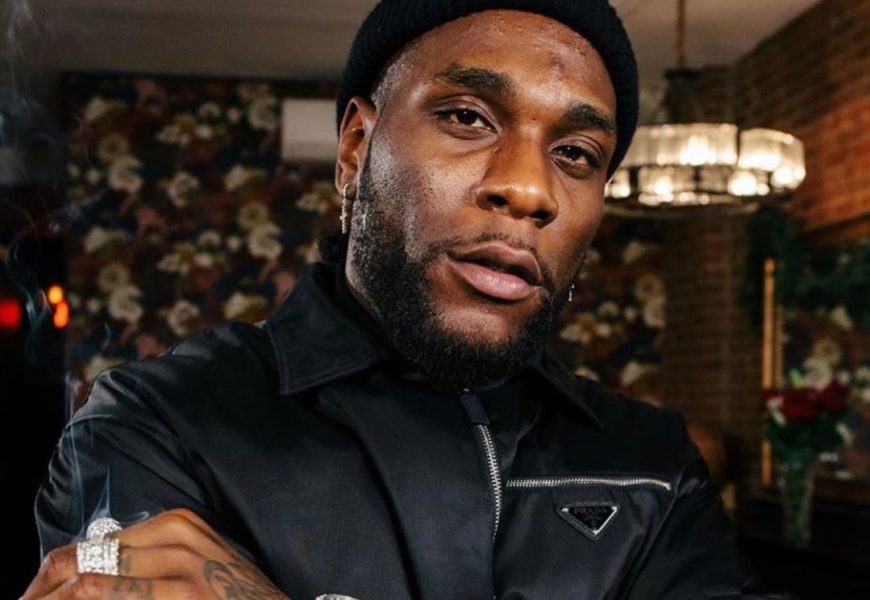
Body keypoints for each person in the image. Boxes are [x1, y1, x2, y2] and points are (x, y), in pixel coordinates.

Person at [23, 1, 789, 599]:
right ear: (356, 148)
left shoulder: (651, 464)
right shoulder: (158, 424)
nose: (529, 188)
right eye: (467, 117)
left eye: (576, 153)